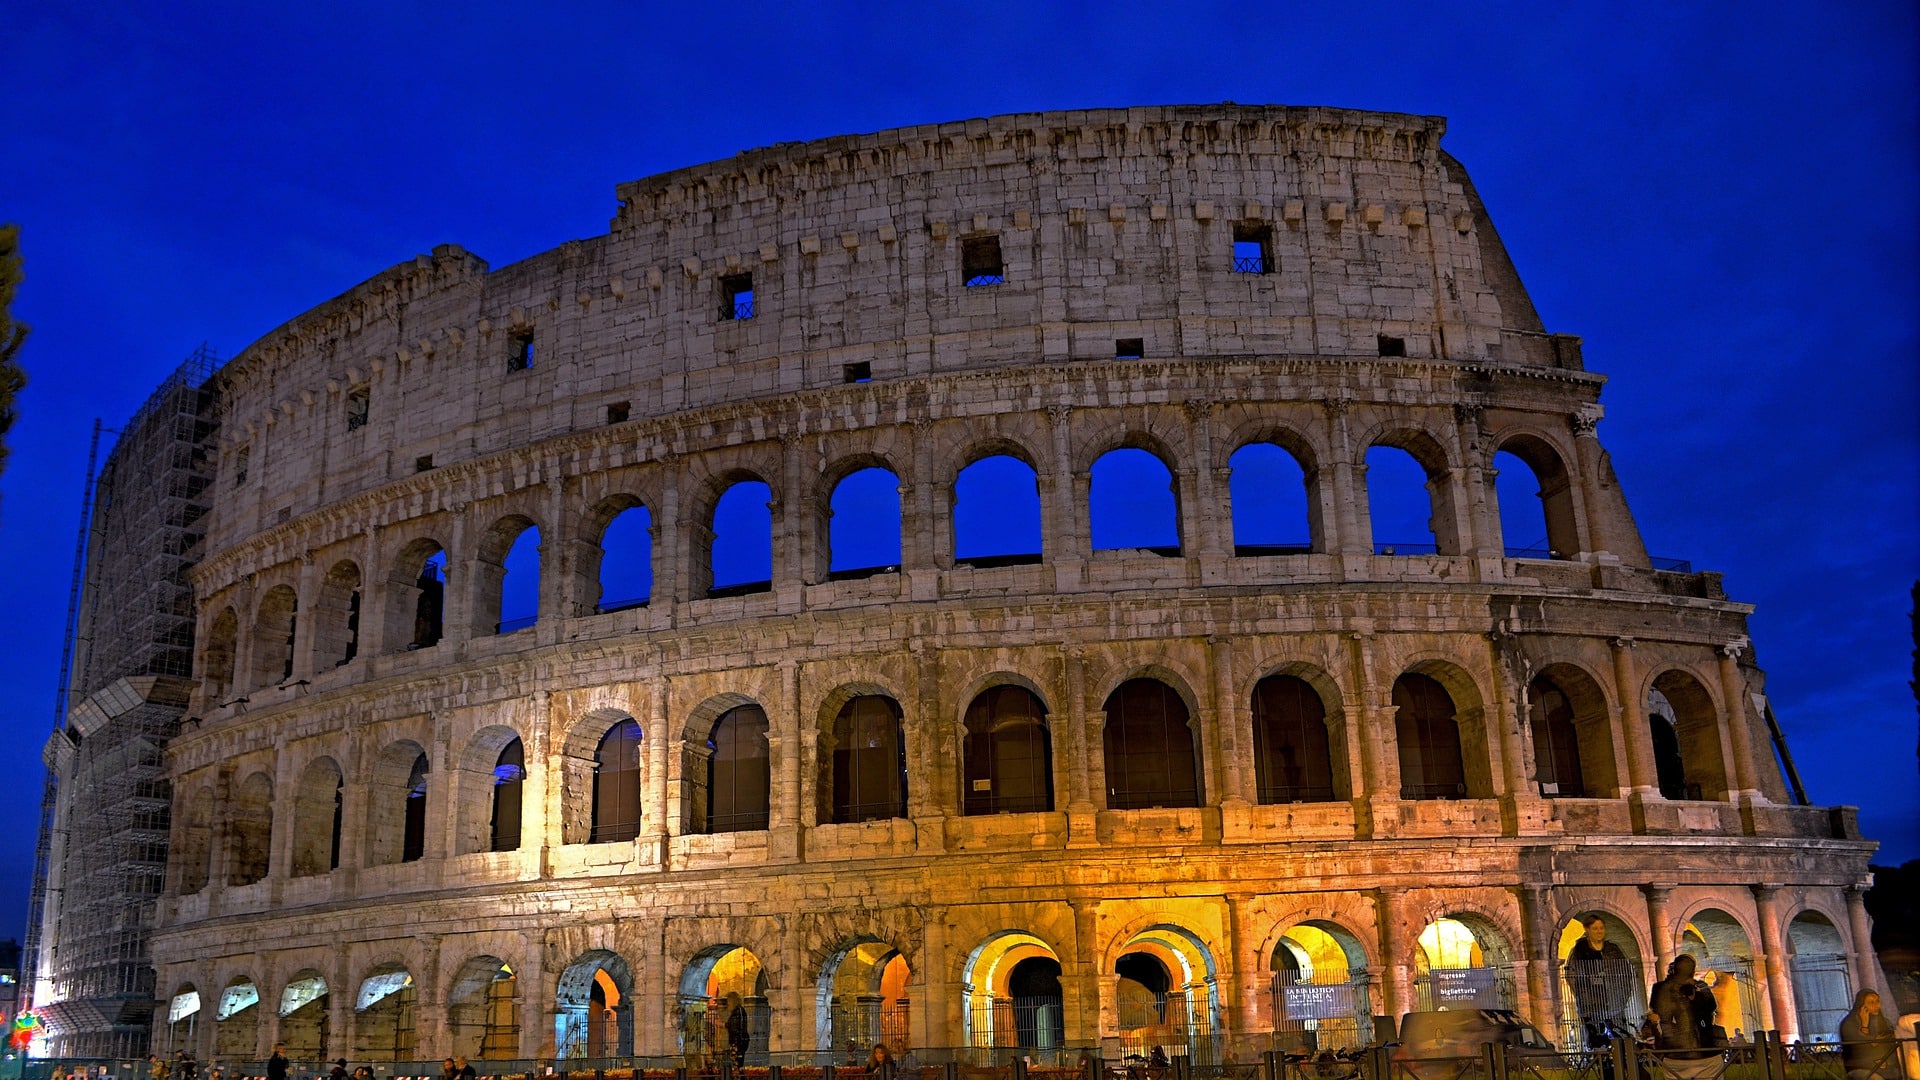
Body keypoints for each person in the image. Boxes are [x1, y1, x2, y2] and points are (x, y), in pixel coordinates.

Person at [1648, 955, 1724, 1079]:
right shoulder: (1700, 986)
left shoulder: (1660, 988)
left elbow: (1655, 1011)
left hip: (1675, 1055)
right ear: (1693, 971)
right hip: (1703, 1054)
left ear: (1674, 970)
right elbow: (1711, 1007)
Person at [1566, 916, 1631, 1048]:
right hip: (1591, 1005)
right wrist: (1582, 994)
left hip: (1614, 1002)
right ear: (1587, 930)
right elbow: (1571, 975)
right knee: (1596, 1041)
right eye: (1595, 928)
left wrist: (1624, 994)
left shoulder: (1613, 949)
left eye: (1601, 928)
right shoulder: (1579, 951)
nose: (1599, 931)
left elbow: (1625, 972)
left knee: (1620, 1039)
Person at [1838, 989, 1896, 1080]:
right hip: (1860, 1067)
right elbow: (1858, 1046)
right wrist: (1864, 1026)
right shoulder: (1849, 1023)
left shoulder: (1884, 1021)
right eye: (1871, 1002)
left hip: (1885, 1066)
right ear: (1862, 1005)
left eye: (1877, 1001)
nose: (1876, 1006)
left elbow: (1891, 1041)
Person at [726, 991, 751, 1068]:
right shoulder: (740, 1010)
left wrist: (724, 1024)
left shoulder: (737, 1011)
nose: (727, 1004)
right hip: (740, 1041)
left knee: (736, 1063)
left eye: (728, 1001)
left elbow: (735, 1026)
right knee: (737, 1063)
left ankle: (738, 1074)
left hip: (737, 1042)